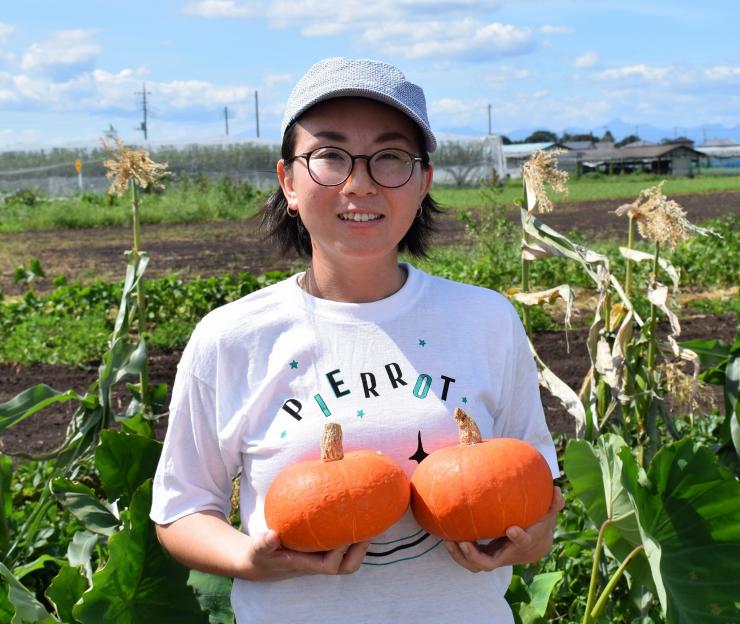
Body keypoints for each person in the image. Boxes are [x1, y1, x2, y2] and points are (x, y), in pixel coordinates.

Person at [151, 56, 563, 623]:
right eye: (330, 157)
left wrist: (529, 542)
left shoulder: (486, 320)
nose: (360, 184)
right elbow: (181, 512)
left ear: (423, 182)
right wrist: (251, 559)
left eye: (390, 157)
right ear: (288, 181)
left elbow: (538, 499)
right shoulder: (232, 337)